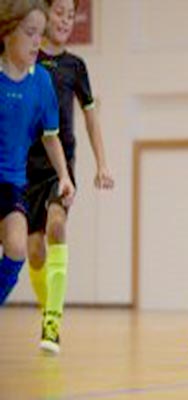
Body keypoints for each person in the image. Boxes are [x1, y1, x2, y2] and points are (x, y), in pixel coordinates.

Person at [24, 0, 114, 355]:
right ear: (44, 15)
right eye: (58, 12)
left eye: (70, 14)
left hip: (61, 168)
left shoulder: (76, 66)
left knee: (57, 227)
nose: (65, 20)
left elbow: (91, 118)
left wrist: (102, 164)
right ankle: (48, 306)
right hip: (26, 165)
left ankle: (53, 322)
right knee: (33, 252)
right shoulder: (25, 59)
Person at [0, 0, 76, 310]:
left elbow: (50, 137)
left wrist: (64, 176)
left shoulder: (41, 82)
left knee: (18, 247)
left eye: (40, 33)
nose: (37, 41)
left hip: (12, 182)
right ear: (7, 33)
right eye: (30, 32)